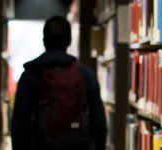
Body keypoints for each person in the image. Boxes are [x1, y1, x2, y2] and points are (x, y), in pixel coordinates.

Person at [11, 16, 107, 150]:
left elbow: (19, 125)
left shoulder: (30, 75)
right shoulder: (85, 75)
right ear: (69, 41)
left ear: (44, 41)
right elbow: (99, 124)